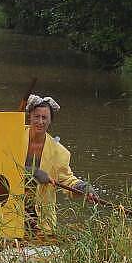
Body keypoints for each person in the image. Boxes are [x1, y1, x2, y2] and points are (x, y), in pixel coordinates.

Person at [24, 94, 97, 232]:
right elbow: (2, 165)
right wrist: (33, 171)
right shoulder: (13, 135)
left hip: (41, 216)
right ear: (30, 117)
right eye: (36, 116)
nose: (40, 121)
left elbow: (67, 180)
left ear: (50, 120)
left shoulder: (60, 152)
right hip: (7, 207)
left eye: (44, 117)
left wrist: (83, 187)